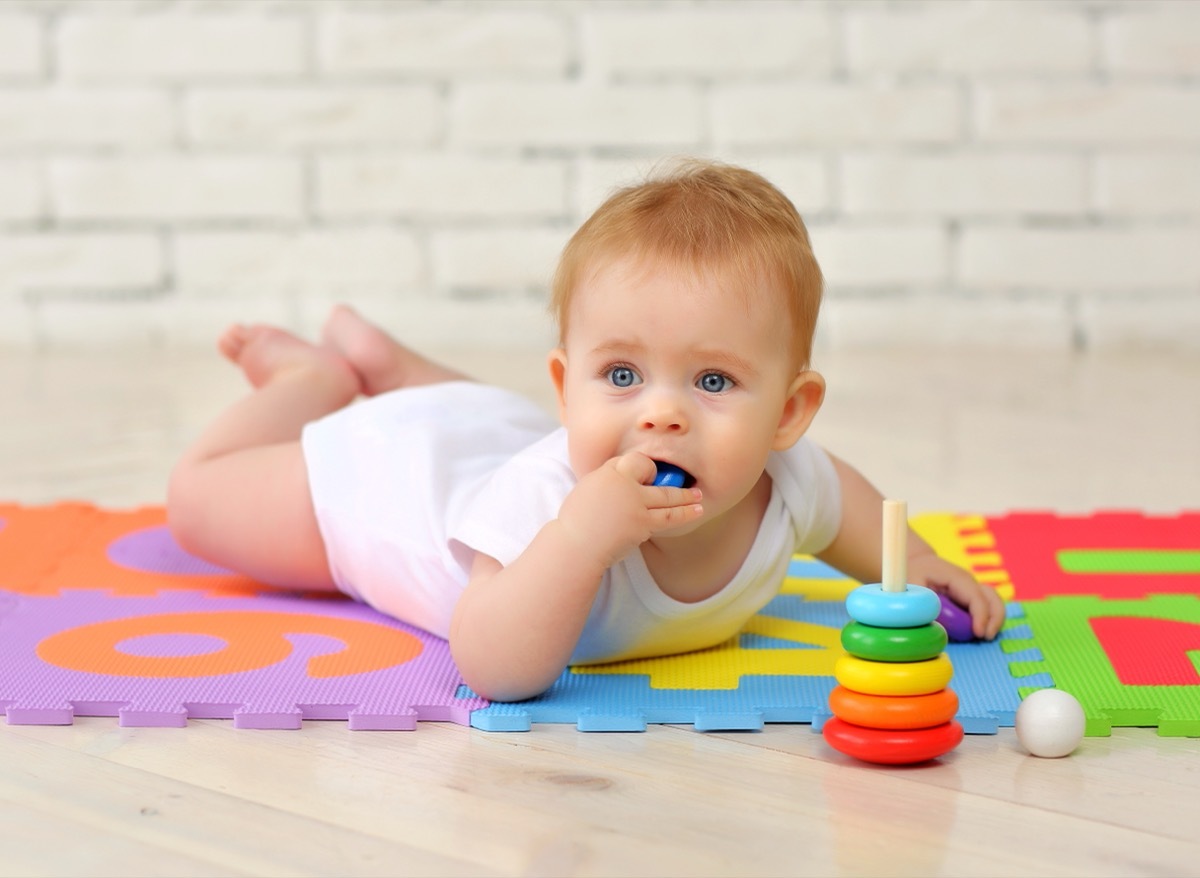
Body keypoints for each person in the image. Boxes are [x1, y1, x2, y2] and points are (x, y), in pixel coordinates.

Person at [168, 159, 1006, 703]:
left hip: (491, 436)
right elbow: (491, 663)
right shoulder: (549, 496)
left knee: (498, 428)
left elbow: (851, 509)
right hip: (390, 495)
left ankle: (391, 365)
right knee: (195, 498)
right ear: (569, 387)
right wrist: (580, 540)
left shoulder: (784, 482)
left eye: (713, 381)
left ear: (788, 413)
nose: (659, 412)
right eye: (622, 376)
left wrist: (923, 566)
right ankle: (313, 380)